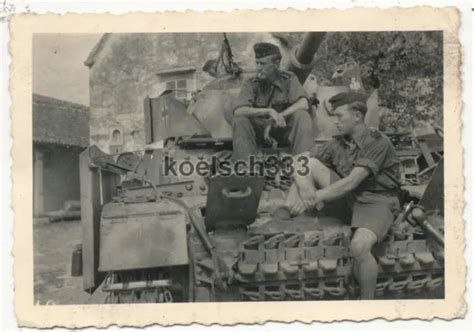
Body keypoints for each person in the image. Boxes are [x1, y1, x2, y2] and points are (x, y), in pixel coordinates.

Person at [286, 91, 401, 299]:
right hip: (348, 199)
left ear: (357, 116)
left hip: (376, 201)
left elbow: (352, 182)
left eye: (339, 116)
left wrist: (314, 197)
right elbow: (300, 160)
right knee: (310, 164)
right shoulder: (338, 143)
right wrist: (304, 189)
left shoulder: (377, 142)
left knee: (359, 247)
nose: (335, 122)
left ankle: (367, 307)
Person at [232, 42, 314, 161]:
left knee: (302, 115)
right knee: (239, 120)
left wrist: (279, 116)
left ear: (276, 64)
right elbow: (238, 111)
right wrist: (269, 111)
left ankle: (304, 164)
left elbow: (303, 103)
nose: (258, 68)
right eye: (257, 63)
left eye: (263, 64)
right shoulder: (251, 82)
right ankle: (246, 169)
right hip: (257, 133)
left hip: (282, 129)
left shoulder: (289, 79)